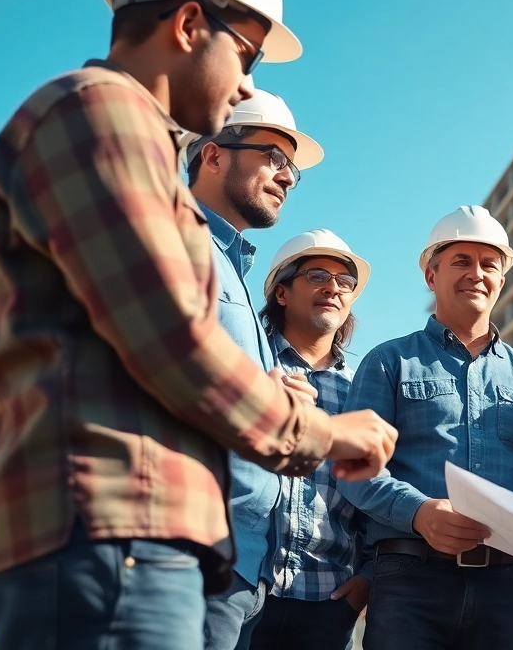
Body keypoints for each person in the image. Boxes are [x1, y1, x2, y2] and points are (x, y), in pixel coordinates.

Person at [0, 0, 395, 650]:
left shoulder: (127, 141)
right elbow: (172, 343)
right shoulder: (101, 115)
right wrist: (322, 431)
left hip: (121, 539)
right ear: (191, 24)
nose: (249, 83)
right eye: (246, 54)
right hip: (108, 532)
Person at [340, 206, 513, 650]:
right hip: (410, 581)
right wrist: (418, 512)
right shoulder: (389, 361)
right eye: (461, 261)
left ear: (501, 281)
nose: (477, 274)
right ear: (431, 277)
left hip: (505, 585)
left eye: (489, 264)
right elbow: (354, 468)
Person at [184, 85, 325, 650]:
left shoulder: (234, 271)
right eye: (273, 156)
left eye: (292, 166)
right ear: (214, 153)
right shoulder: (177, 243)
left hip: (242, 570)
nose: (287, 176)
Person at [249, 230, 375, 650]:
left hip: (329, 601)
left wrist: (367, 579)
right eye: (317, 275)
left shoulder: (364, 391)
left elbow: (378, 490)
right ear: (281, 293)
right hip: (242, 588)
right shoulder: (248, 365)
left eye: (345, 282)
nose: (333, 288)